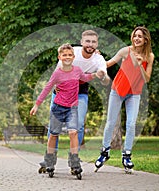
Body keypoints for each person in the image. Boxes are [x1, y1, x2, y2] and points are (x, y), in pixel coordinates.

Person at [38, 30, 110, 172]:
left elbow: (106, 81)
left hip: (80, 92)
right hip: (61, 91)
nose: (90, 44)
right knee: (53, 127)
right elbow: (58, 71)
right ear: (81, 42)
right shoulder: (72, 52)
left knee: (78, 126)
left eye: (93, 42)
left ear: (97, 44)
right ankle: (49, 158)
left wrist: (103, 76)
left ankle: (74, 159)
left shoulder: (99, 59)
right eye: (87, 41)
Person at [94, 26, 154, 173]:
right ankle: (104, 152)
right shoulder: (125, 51)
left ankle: (126, 155)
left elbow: (146, 79)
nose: (136, 39)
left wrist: (140, 64)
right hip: (118, 90)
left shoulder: (149, 56)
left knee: (132, 123)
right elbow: (108, 64)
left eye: (140, 36)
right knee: (110, 122)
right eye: (135, 36)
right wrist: (97, 57)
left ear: (146, 39)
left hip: (134, 93)